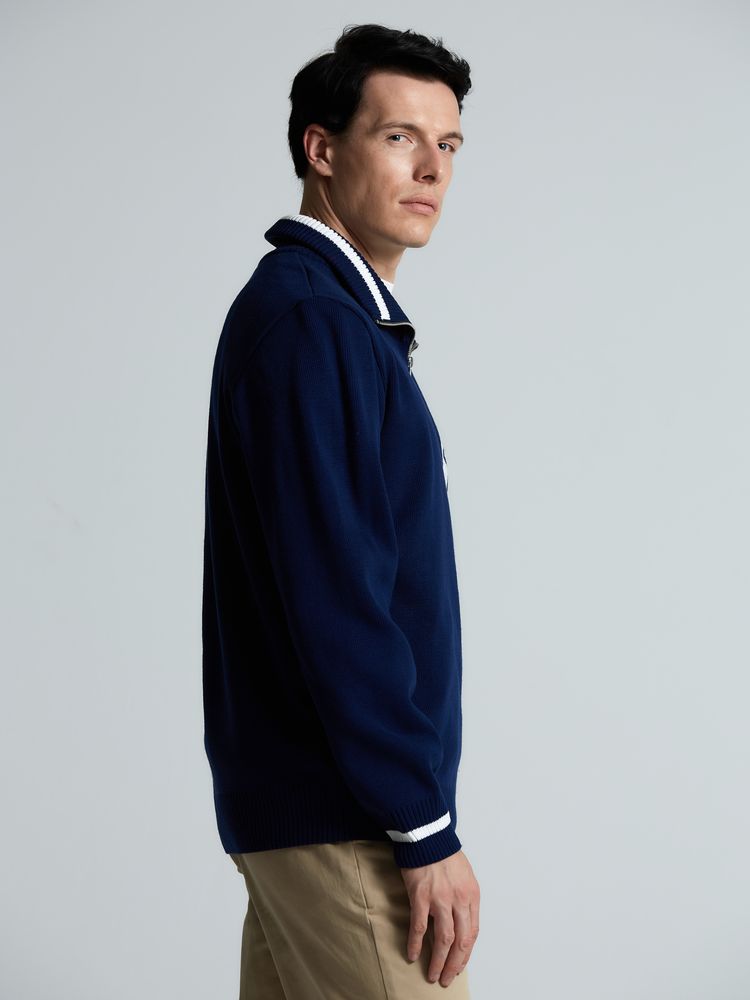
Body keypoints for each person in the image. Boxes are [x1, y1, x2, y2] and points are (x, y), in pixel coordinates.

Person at [202, 22, 480, 999]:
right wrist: (423, 825)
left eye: (448, 144)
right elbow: (338, 597)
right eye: (400, 137)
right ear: (321, 150)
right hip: (349, 822)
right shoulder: (314, 323)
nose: (432, 169)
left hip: (317, 811)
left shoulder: (334, 319)